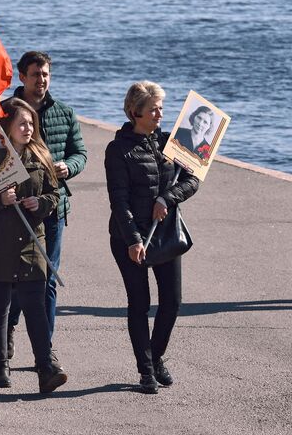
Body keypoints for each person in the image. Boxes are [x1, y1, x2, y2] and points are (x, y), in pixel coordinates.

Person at [104, 81, 199, 394]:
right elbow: (119, 200)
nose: (160, 113)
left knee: (172, 302)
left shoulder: (172, 141)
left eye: (161, 107)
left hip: (165, 232)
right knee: (140, 302)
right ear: (136, 112)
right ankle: (146, 372)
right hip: (128, 236)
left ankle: (155, 357)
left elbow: (192, 178)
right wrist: (133, 239)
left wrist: (167, 198)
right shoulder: (118, 149)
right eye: (154, 108)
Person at [0, 98, 67, 393]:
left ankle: (45, 368)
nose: (28, 128)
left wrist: (41, 204)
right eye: (22, 122)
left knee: (35, 306)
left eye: (31, 123)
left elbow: (54, 195)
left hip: (31, 242)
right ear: (7, 124)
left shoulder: (40, 154)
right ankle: (0, 367)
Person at [2, 51, 87, 372]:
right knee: (12, 281)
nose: (42, 80)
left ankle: (45, 350)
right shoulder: (6, 112)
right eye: (36, 74)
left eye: (46, 74)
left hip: (52, 209)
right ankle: (7, 331)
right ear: (21, 77)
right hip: (14, 211)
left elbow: (80, 152)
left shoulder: (63, 113)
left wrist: (70, 166)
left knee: (47, 279)